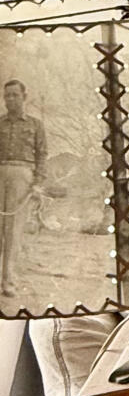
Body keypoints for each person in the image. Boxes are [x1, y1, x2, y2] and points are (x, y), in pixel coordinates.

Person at [0, 79, 46, 295]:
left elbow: (42, 155)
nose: (10, 99)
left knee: (13, 231)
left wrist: (37, 183)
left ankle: (8, 282)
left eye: (15, 95)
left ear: (24, 97)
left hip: (23, 176)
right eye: (7, 96)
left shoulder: (35, 125)